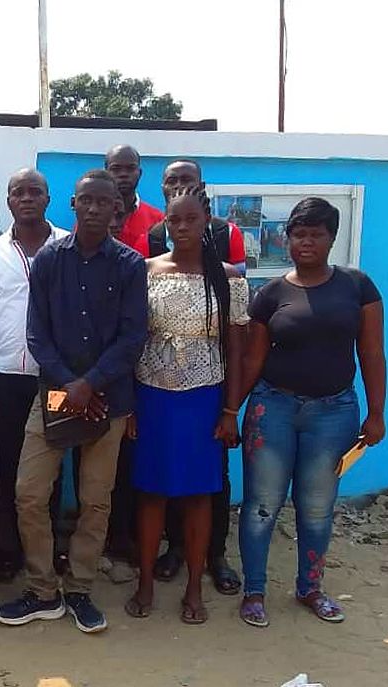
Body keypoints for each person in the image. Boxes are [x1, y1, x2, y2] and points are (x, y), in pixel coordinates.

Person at [0, 170, 147, 633]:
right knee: (29, 491)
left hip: (109, 399)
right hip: (55, 394)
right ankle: (42, 590)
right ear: (73, 204)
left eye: (105, 202)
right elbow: (36, 334)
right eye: (88, 200)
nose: (96, 208)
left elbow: (133, 336)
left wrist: (91, 384)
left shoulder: (130, 265)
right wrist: (70, 386)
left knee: (95, 500)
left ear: (115, 209)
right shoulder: (48, 262)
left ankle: (78, 589)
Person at [229, 197, 386, 627]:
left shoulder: (358, 287)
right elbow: (253, 360)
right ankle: (254, 592)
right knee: (261, 504)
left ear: (332, 238)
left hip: (334, 413)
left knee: (316, 506)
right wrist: (230, 410)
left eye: (317, 234)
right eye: (300, 234)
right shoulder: (271, 293)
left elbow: (372, 353)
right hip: (272, 408)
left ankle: (310, 589)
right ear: (288, 238)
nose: (307, 242)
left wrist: (377, 414)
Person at [124, 186, 249, 624]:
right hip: (152, 393)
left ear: (206, 222)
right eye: (173, 220)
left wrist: (231, 411)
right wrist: (131, 407)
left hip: (204, 397)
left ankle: (195, 587)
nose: (180, 227)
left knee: (199, 494)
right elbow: (132, 340)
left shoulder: (229, 279)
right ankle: (145, 582)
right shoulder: (144, 272)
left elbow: (236, 349)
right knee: (151, 492)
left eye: (189, 219)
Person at [0, 168, 70, 579]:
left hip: (57, 380)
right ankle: (12, 548)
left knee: (55, 463)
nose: (26, 198)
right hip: (8, 378)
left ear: (48, 198)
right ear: (8, 202)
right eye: (18, 193)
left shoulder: (67, 245)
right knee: (10, 463)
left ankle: (50, 550)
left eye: (35, 192)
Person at [104, 145, 162, 250]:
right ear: (106, 173)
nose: (123, 174)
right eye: (116, 169)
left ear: (139, 173)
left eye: (130, 168)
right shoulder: (94, 216)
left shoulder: (157, 219)